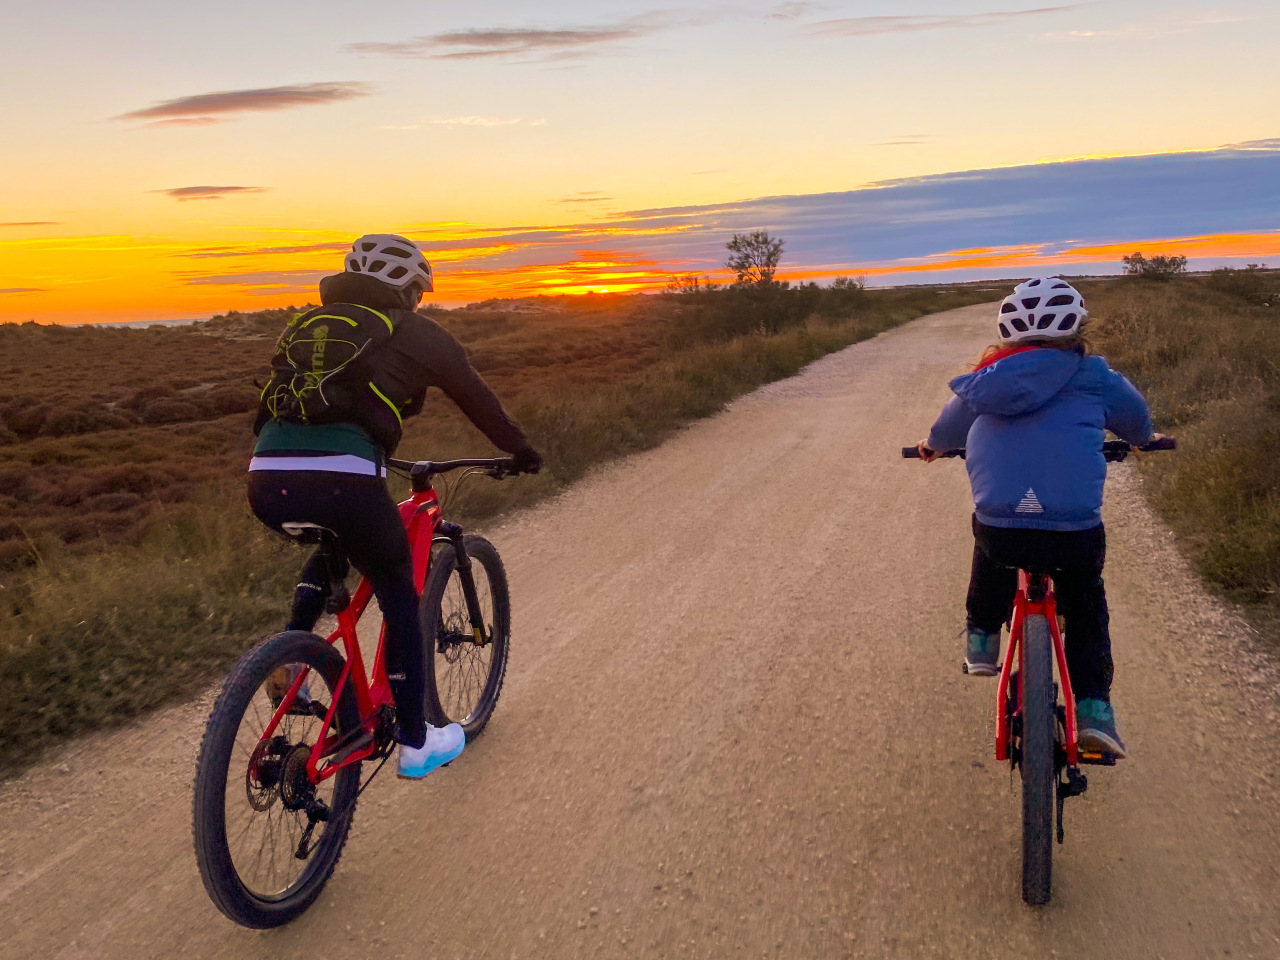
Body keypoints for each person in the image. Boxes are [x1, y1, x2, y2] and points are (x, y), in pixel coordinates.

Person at [247, 234, 543, 779]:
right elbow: (475, 397)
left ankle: (292, 658)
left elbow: (271, 406)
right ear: (408, 289)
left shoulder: (307, 329)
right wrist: (520, 449)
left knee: (337, 540)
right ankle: (415, 741)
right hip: (346, 478)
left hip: (266, 477)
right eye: (418, 293)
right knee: (399, 590)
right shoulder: (416, 331)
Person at [916, 277, 1154, 758]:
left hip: (1003, 526)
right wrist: (1144, 441)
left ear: (1008, 333)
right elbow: (1136, 422)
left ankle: (982, 639)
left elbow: (945, 430)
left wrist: (932, 448)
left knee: (993, 546)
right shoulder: (1097, 375)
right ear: (1078, 328)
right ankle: (1093, 711)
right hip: (1073, 530)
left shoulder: (984, 379)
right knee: (1085, 602)